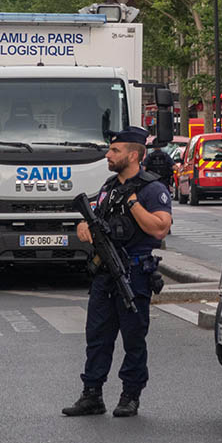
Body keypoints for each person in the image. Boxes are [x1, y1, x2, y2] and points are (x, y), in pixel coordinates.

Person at [63, 127, 172, 419]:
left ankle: (130, 396)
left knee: (133, 338)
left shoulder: (152, 188)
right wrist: (84, 228)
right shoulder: (109, 186)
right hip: (105, 273)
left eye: (115, 151)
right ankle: (92, 395)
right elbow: (93, 220)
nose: (108, 155)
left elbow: (160, 227)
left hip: (134, 272)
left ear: (134, 155)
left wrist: (133, 202)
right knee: (97, 336)